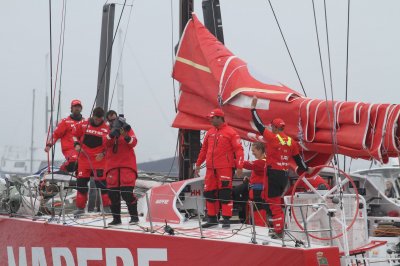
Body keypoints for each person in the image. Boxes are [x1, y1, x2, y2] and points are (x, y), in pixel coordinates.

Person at [250, 96, 313, 237]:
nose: (270, 128)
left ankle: (279, 230)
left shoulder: (272, 138)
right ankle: (276, 226)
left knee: (273, 202)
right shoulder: (292, 142)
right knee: (270, 199)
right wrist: (307, 169)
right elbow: (299, 161)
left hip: (273, 174)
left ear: (275, 127)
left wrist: (253, 109)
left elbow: (259, 125)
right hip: (284, 176)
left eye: (272, 126)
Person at [195, 108, 244, 228]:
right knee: (209, 193)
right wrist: (197, 164)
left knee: (225, 193)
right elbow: (204, 150)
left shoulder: (231, 132)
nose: (210, 120)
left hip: (225, 168)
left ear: (219, 118)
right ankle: (212, 219)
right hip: (211, 169)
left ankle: (226, 219)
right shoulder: (210, 132)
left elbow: (239, 150)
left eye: (212, 118)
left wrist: (239, 167)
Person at [72, 107, 111, 217]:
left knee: (102, 185)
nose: (98, 121)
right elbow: (74, 134)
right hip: (84, 160)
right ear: (92, 116)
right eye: (96, 119)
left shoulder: (107, 127)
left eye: (100, 119)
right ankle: (80, 209)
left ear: (102, 118)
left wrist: (103, 154)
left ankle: (107, 208)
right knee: (81, 185)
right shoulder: (83, 123)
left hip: (99, 161)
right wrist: (76, 144)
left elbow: (110, 144)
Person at [104, 114, 139, 225]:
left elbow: (133, 142)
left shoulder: (127, 128)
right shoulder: (106, 130)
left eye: (115, 119)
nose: (114, 122)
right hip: (112, 167)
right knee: (112, 195)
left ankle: (134, 217)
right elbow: (105, 143)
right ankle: (116, 219)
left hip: (127, 166)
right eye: (111, 120)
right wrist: (111, 135)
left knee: (127, 193)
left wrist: (125, 135)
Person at [45, 99, 84, 172]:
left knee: (86, 165)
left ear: (81, 109)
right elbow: (56, 135)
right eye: (75, 106)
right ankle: (63, 169)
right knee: (74, 161)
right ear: (71, 109)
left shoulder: (85, 122)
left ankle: (77, 180)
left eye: (79, 106)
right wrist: (49, 145)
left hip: (82, 149)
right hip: (70, 149)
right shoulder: (65, 122)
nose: (77, 108)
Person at [243, 142, 267, 226]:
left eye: (254, 151)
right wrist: (249, 180)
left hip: (258, 193)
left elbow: (247, 164)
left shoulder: (262, 162)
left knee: (258, 216)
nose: (252, 153)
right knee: (255, 215)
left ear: (260, 150)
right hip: (255, 192)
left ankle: (260, 232)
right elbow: (260, 177)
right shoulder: (260, 163)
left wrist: (232, 160)